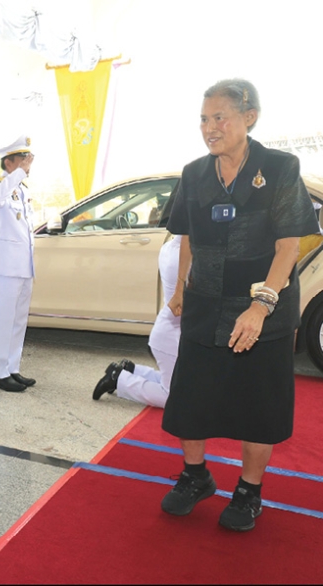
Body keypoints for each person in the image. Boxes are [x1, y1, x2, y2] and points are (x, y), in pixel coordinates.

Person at [160, 79, 320, 532]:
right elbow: (187, 237)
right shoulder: (194, 173)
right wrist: (178, 289)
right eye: (204, 120)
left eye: (219, 118)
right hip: (205, 304)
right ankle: (196, 477)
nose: (209, 128)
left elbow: (289, 246)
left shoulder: (281, 167)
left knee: (258, 405)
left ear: (249, 117)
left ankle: (249, 491)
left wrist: (260, 306)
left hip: (261, 309)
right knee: (191, 399)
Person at [92, 235, 183, 408]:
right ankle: (120, 380)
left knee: (182, 383)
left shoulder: (171, 248)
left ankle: (133, 370)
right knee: (175, 398)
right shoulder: (183, 257)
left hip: (169, 331)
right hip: (171, 336)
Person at [0, 135, 37, 393]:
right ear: (9, 163)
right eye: (23, 160)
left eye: (29, 159)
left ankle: (12, 368)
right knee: (5, 320)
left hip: (23, 266)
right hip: (5, 268)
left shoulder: (23, 190)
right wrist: (18, 173)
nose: (28, 164)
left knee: (19, 320)